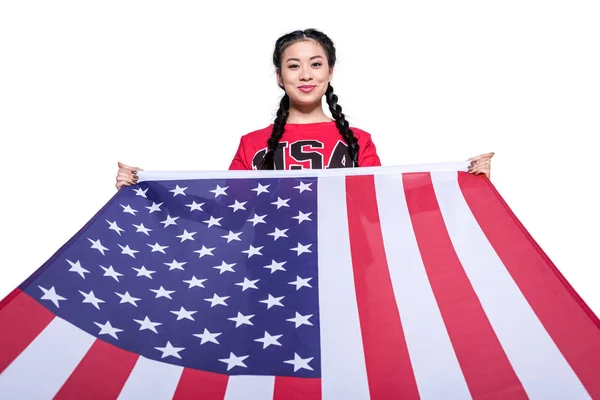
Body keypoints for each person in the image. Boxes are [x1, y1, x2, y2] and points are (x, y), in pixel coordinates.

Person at [114, 29, 494, 189]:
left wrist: (463, 177)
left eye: (315, 63)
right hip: (267, 266)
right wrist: (144, 186)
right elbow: (223, 205)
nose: (305, 74)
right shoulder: (253, 143)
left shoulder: (358, 140)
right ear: (279, 76)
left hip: (349, 264)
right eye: (293, 65)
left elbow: (386, 200)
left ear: (330, 71)